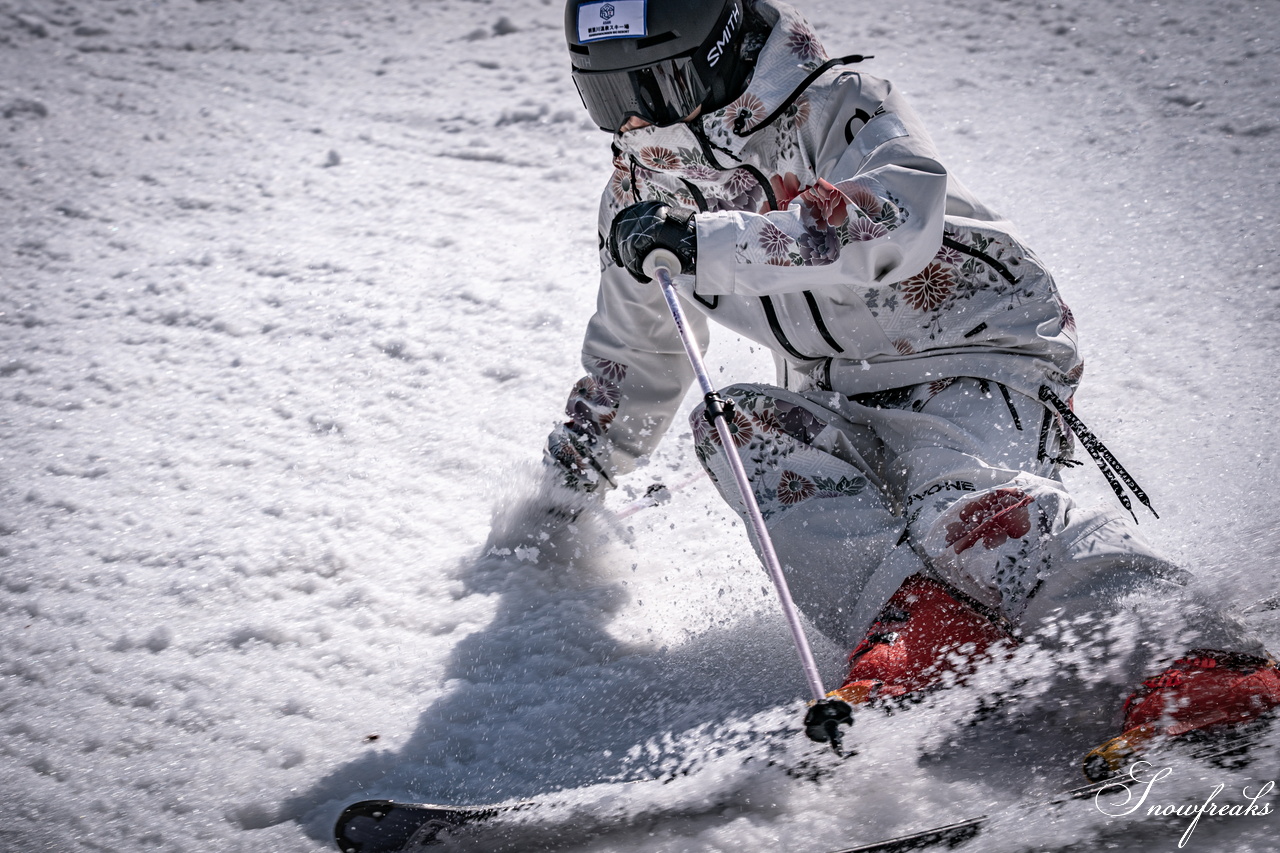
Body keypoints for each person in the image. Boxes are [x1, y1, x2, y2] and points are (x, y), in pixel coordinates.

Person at [543, 0, 1279, 778]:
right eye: (609, 101)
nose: (636, 125)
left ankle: (1201, 654)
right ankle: (927, 622)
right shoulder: (642, 196)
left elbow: (894, 217)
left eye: (655, 89)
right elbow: (633, 354)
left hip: (974, 346)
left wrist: (707, 242)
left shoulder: (837, 102)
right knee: (735, 427)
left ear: (719, 54)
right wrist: (567, 486)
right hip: (842, 387)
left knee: (961, 507)